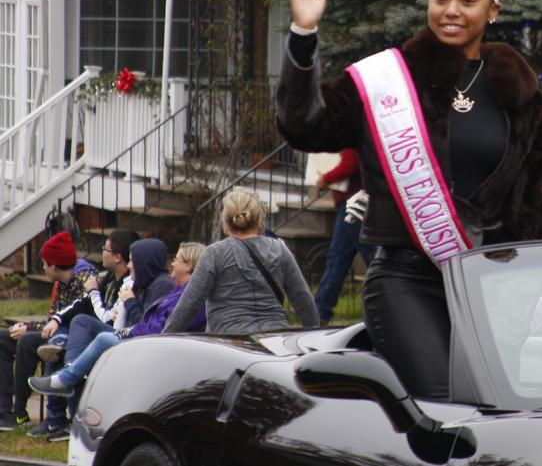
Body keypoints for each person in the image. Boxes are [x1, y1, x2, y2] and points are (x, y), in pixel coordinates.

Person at [275, 0, 542, 399]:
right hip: (406, 280)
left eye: (468, 0)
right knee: (444, 404)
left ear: (493, 8)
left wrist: (537, 286)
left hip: (494, 288)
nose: (451, 10)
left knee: (494, 413)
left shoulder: (521, 95)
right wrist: (304, 36)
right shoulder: (389, 80)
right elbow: (305, 125)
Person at [29, 243, 208, 398]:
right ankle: (69, 371)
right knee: (80, 321)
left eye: (177, 259)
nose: (172, 263)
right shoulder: (179, 290)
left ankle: (67, 378)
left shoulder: (184, 293)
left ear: (188, 265)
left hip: (154, 345)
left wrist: (128, 309)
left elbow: (159, 328)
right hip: (142, 336)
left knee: (102, 338)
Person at [162, 187, 319, 334]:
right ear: (259, 219)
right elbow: (305, 304)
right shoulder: (279, 250)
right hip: (274, 340)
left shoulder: (215, 254)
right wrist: (313, 341)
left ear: (225, 220)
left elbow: (188, 306)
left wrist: (162, 340)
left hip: (230, 344)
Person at [0, 231, 95, 438]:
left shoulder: (83, 279)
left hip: (72, 339)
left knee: (27, 341)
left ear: (54, 266)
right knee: (3, 337)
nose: (42, 267)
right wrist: (30, 325)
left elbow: (69, 322)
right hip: (53, 333)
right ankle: (4, 413)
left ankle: (23, 412)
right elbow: (53, 319)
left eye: (44, 263)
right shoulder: (62, 282)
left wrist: (31, 329)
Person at [37, 228, 137, 362]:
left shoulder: (127, 285)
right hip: (90, 330)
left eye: (105, 249)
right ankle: (57, 370)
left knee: (79, 321)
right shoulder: (110, 277)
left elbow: (107, 319)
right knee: (57, 333)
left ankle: (68, 372)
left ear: (117, 257)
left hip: (110, 334)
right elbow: (83, 302)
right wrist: (57, 319)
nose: (102, 252)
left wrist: (93, 292)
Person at [313, 148, 374, 324]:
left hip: (354, 202)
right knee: (339, 257)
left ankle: (320, 310)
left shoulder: (345, 132)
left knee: (369, 256)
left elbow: (350, 163)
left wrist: (326, 178)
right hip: (352, 200)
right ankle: (320, 310)